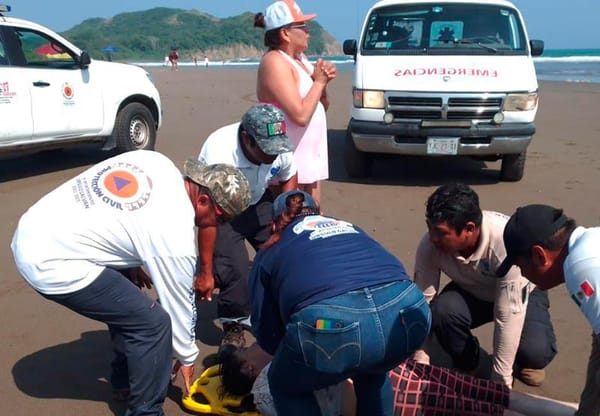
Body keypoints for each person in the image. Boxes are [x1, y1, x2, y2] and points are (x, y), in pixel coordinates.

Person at [10, 150, 251, 416]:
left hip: (39, 224)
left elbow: (119, 207)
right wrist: (187, 356)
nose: (219, 227)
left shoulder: (155, 162)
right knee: (153, 325)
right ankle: (145, 411)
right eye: (222, 219)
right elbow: (178, 305)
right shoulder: (174, 237)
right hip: (49, 262)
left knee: (127, 304)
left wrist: (128, 260)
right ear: (203, 200)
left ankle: (123, 379)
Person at [248, 189, 430, 416]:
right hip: (406, 310)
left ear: (274, 225)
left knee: (284, 386)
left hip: (332, 325)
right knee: (373, 372)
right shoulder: (350, 227)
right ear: (320, 213)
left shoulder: (272, 248)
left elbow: (268, 332)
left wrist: (310, 359)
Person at [413, 183, 557, 387]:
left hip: (520, 293)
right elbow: (422, 302)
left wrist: (501, 382)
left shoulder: (504, 242)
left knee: (535, 352)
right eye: (429, 228)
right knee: (442, 312)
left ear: (469, 229)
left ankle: (521, 361)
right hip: (472, 290)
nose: (433, 237)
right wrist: (420, 359)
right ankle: (469, 361)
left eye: (441, 232)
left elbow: (508, 315)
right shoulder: (429, 245)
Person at [219, 342, 579, 416]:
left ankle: (574, 411)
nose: (256, 345)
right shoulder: (271, 379)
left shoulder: (274, 380)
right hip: (388, 388)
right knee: (488, 403)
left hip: (385, 379)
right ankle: (573, 411)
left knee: (485, 400)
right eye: (249, 350)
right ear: (249, 368)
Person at [195, 103, 298, 348]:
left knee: (288, 251)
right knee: (236, 268)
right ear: (246, 139)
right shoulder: (220, 152)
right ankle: (233, 324)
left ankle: (287, 308)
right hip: (222, 208)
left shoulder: (278, 145)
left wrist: (284, 214)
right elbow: (208, 217)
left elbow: (289, 175)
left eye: (277, 149)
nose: (274, 155)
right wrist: (206, 272)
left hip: (258, 199)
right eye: (266, 150)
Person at [498, 204, 600, 415]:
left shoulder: (580, 266)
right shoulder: (590, 241)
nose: (523, 275)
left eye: (520, 266)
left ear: (539, 255)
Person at [254, 0, 336, 206]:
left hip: (309, 161)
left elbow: (320, 106)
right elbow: (300, 115)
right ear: (285, 33)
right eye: (302, 27)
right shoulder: (274, 61)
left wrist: (323, 83)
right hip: (288, 166)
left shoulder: (300, 59)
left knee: (312, 217)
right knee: (292, 222)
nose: (308, 31)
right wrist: (319, 81)